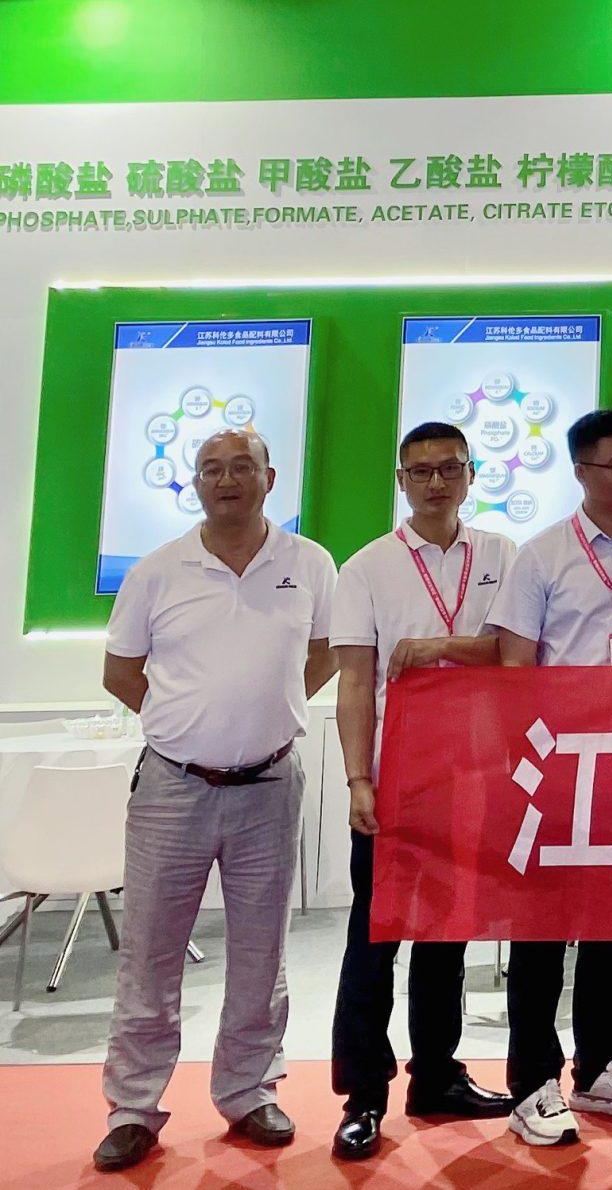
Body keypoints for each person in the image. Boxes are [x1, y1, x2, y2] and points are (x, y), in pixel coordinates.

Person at [94, 430, 338, 1173]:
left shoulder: (310, 563)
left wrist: (268, 714)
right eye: (211, 470)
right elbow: (120, 671)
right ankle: (133, 1107)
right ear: (195, 483)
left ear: (270, 477)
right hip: (173, 790)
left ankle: (248, 1091)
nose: (226, 480)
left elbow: (325, 652)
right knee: (150, 953)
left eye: (241, 468)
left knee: (262, 952)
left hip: (269, 787)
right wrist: (184, 727)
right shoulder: (159, 570)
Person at [485, 408, 612, 1146]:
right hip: (559, 771)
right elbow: (515, 668)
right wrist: (525, 771)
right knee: (542, 932)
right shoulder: (541, 555)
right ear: (581, 471)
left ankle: (599, 1065)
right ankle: (532, 1082)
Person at [325, 422, 518, 1161]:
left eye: (449, 468)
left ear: (470, 475)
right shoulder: (367, 568)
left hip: (476, 775)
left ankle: (436, 1074)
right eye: (421, 471)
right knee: (376, 937)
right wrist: (358, 779)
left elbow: (515, 655)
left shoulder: (502, 556)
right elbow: (354, 683)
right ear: (401, 481)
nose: (436, 482)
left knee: (447, 935)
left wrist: (442, 647)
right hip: (396, 781)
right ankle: (363, 1095)